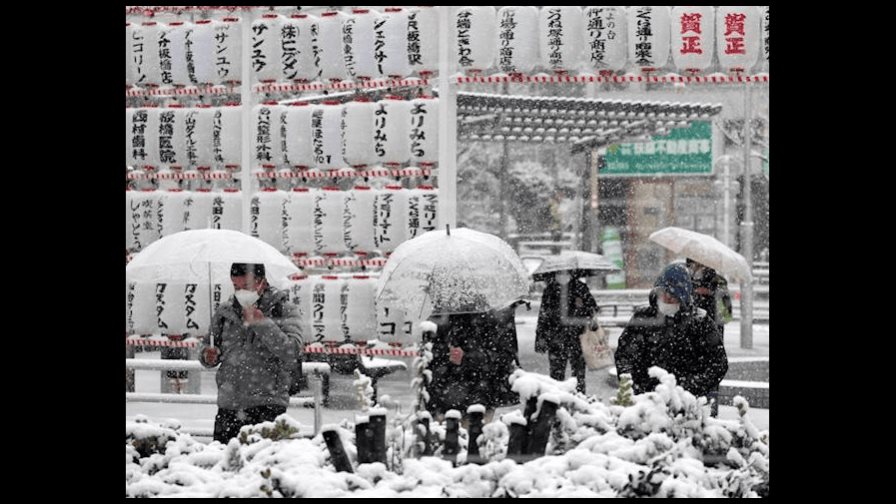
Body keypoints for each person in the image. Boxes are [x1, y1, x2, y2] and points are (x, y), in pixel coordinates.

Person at [198, 263, 303, 444]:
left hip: (268, 404)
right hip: (229, 404)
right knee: (223, 462)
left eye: (245, 287)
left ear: (261, 282)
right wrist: (207, 355)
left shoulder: (283, 309)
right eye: (236, 287)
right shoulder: (225, 311)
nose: (240, 292)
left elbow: (292, 351)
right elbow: (208, 344)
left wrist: (262, 323)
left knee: (260, 463)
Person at [614, 263, 728, 402]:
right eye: (664, 292)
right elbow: (624, 356)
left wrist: (688, 388)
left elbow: (718, 364)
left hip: (685, 402)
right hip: (645, 400)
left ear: (683, 297)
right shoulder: (642, 318)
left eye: (673, 294)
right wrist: (634, 386)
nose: (667, 297)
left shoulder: (700, 322)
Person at [424, 304, 513, 424]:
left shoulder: (494, 311)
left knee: (471, 432)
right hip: (446, 390)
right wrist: (446, 353)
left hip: (478, 388)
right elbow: (428, 349)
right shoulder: (437, 311)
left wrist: (468, 356)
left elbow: (502, 354)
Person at [535, 271, 599, 394]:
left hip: (574, 337)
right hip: (559, 338)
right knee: (559, 375)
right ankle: (560, 400)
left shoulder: (578, 288)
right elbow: (543, 316)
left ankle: (576, 399)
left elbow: (593, 308)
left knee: (576, 374)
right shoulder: (551, 290)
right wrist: (541, 338)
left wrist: (582, 307)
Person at [686, 258, 733, 340]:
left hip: (712, 321)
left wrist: (710, 292)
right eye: (692, 265)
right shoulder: (687, 278)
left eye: (696, 264)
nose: (693, 267)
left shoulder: (717, 280)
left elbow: (725, 303)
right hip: (693, 322)